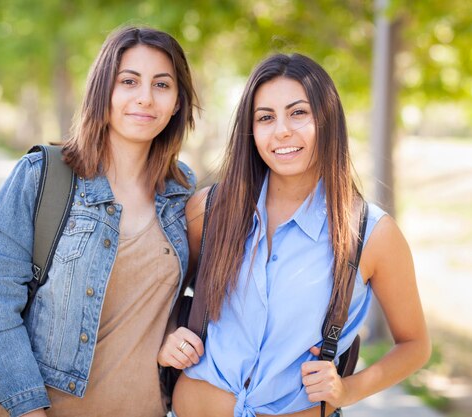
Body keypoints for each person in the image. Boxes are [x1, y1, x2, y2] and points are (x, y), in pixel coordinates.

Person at [158, 53, 431, 417]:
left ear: (327, 120)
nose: (282, 130)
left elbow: (415, 345)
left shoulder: (370, 234)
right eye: (265, 117)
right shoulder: (209, 210)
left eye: (298, 113)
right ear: (251, 131)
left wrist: (347, 389)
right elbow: (162, 298)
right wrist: (169, 334)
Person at [0, 25, 199, 417]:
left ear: (178, 102)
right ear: (104, 91)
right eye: (129, 81)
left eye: (162, 85)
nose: (145, 98)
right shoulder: (41, 175)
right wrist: (28, 410)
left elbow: (179, 297)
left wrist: (169, 334)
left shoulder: (182, 193)